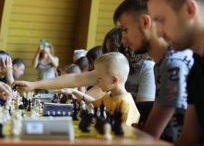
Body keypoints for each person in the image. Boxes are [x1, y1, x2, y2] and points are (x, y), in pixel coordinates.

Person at [122, 0, 204, 146]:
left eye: (160, 20)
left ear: (189, 10)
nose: (157, 32)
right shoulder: (197, 65)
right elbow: (188, 142)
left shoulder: (177, 63)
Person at [15, 27, 155, 102]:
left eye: (112, 49)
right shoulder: (110, 69)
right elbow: (75, 79)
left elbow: (142, 110)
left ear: (126, 48)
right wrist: (34, 85)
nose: (108, 54)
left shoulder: (147, 69)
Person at [91, 52, 140, 126]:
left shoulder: (126, 104)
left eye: (99, 78)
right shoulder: (107, 96)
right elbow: (93, 104)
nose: (97, 81)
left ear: (114, 80)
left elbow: (125, 132)